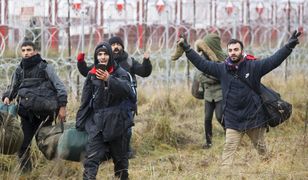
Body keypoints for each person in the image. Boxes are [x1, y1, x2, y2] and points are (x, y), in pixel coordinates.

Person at [176, 30, 301, 169]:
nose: (233, 52)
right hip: (233, 119)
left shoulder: (253, 66)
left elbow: (273, 61)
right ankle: (225, 175)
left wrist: (288, 47)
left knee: (261, 149)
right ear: (227, 52)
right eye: (230, 50)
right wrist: (187, 48)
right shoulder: (222, 69)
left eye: (236, 49)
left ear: (242, 50)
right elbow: (202, 64)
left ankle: (268, 169)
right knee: (229, 149)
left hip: (254, 118)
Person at [77, 36, 152, 158]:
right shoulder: (103, 62)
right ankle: (109, 153)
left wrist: (146, 60)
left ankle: (125, 153)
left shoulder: (129, 61)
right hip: (108, 103)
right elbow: (87, 72)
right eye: (113, 45)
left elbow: (144, 72)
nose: (116, 47)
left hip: (126, 101)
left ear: (122, 46)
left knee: (126, 128)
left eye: (118, 44)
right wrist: (81, 62)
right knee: (108, 128)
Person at [2, 41, 67, 172]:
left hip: (45, 113)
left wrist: (62, 107)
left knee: (47, 144)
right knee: (22, 145)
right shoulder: (20, 70)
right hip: (27, 115)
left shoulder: (45, 68)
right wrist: (7, 96)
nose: (26, 53)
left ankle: (59, 171)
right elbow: (13, 87)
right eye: (24, 50)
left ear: (35, 51)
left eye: (29, 50)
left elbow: (60, 87)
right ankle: (26, 173)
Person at [76, 41, 135, 180]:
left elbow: (128, 91)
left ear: (110, 56)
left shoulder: (121, 73)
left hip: (117, 123)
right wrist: (79, 123)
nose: (102, 57)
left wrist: (109, 79)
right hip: (98, 123)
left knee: (120, 161)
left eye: (105, 54)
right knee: (91, 161)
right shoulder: (92, 75)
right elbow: (85, 101)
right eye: (99, 54)